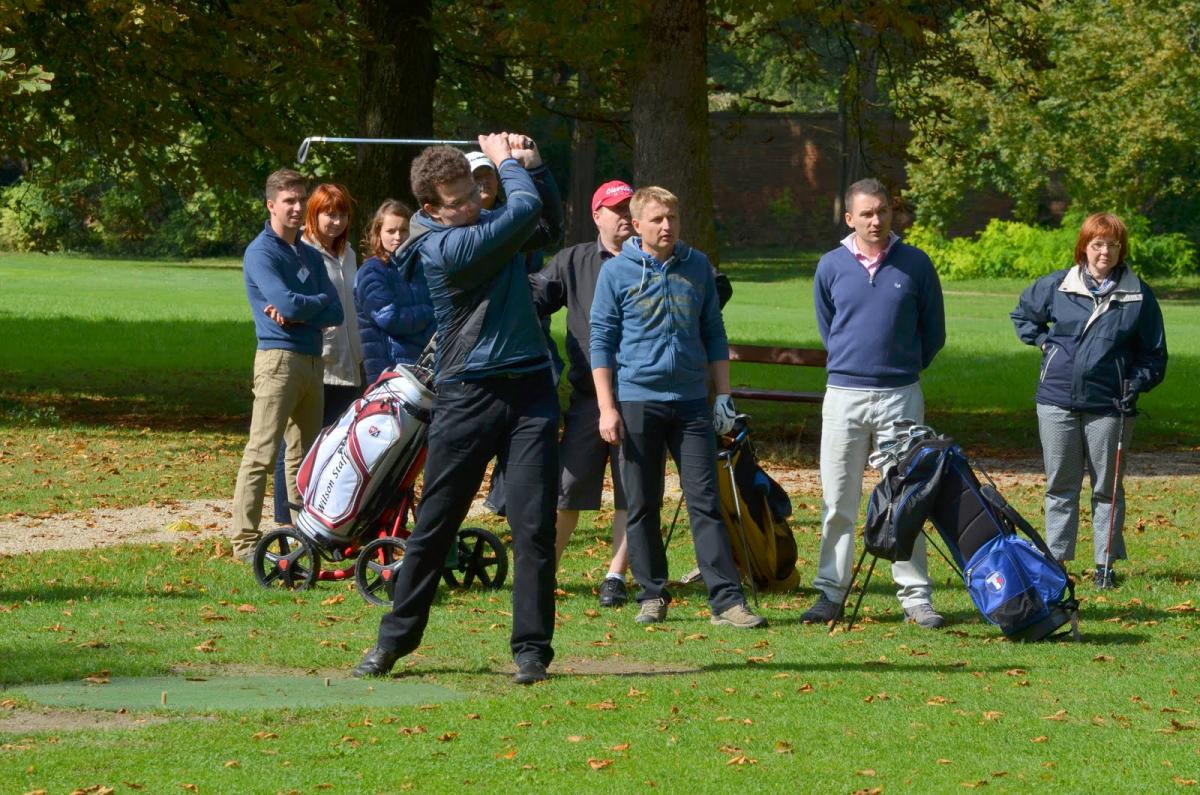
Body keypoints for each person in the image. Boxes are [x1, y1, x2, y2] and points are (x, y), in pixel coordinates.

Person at [353, 134, 563, 685]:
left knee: (534, 525)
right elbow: (524, 210)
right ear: (431, 208)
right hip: (468, 392)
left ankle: (532, 652)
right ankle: (394, 641)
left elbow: (546, 226)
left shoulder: (487, 225)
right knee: (437, 523)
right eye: (459, 200)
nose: (473, 204)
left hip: (530, 390)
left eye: (475, 192)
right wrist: (507, 162)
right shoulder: (441, 248)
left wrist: (536, 167)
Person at [590, 186, 765, 630]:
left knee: (705, 502)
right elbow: (601, 341)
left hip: (690, 404)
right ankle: (652, 594)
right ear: (637, 224)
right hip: (636, 401)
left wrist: (722, 395)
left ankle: (727, 601)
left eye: (672, 217)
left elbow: (714, 333)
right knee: (642, 503)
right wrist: (607, 407)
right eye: (657, 219)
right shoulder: (616, 273)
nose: (667, 226)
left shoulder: (697, 265)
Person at [801, 177, 947, 628]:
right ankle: (831, 592)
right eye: (866, 213)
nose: (876, 220)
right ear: (850, 218)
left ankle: (915, 597)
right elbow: (829, 327)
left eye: (882, 211)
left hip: (900, 397)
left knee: (906, 499)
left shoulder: (915, 263)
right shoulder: (830, 265)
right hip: (844, 397)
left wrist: (900, 368)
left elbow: (934, 333)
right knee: (838, 501)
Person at [1010, 212, 1167, 589]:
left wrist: (1136, 383)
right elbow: (1023, 316)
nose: (1105, 252)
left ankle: (1105, 567)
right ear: (1084, 247)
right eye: (1097, 244)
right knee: (1060, 486)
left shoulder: (1138, 294)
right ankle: (1057, 563)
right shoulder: (1057, 285)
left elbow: (1154, 355)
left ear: (1121, 250)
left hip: (1110, 405)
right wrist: (1044, 343)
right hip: (1056, 399)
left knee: (1107, 489)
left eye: (1113, 245)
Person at [529, 179, 635, 607]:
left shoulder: (652, 258)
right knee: (567, 487)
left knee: (632, 491)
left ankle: (616, 577)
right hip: (589, 398)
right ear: (597, 215)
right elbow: (534, 297)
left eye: (630, 208)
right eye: (617, 209)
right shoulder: (573, 261)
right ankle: (543, 574)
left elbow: (712, 287)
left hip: (639, 396)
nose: (625, 216)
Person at [230, 169, 344, 561]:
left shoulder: (309, 253)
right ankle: (245, 542)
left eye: (301, 200)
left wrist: (302, 307)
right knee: (261, 454)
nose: (297, 207)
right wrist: (308, 305)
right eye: (289, 201)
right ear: (271, 205)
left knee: (305, 458)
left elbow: (337, 310)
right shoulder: (261, 252)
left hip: (313, 360)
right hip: (278, 360)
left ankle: (303, 537)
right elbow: (291, 304)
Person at [472, 151, 564, 516]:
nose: (483, 183)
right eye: (475, 177)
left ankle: (508, 497)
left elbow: (548, 226)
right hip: (479, 352)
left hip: (527, 340)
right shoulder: (459, 231)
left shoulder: (513, 222)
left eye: (489, 175)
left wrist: (535, 167)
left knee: (533, 424)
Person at [270, 183, 363, 527]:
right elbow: (288, 304)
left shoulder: (350, 254)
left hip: (351, 365)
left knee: (337, 447)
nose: (336, 222)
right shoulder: (303, 252)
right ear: (314, 214)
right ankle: (286, 520)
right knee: (298, 445)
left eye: (342, 215)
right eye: (329, 214)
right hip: (317, 361)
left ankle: (323, 514)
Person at [354, 199, 435, 384]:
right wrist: (430, 312)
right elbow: (390, 318)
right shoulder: (371, 271)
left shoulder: (420, 269)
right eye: (391, 231)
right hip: (389, 370)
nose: (398, 237)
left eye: (403, 230)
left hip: (423, 367)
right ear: (378, 233)